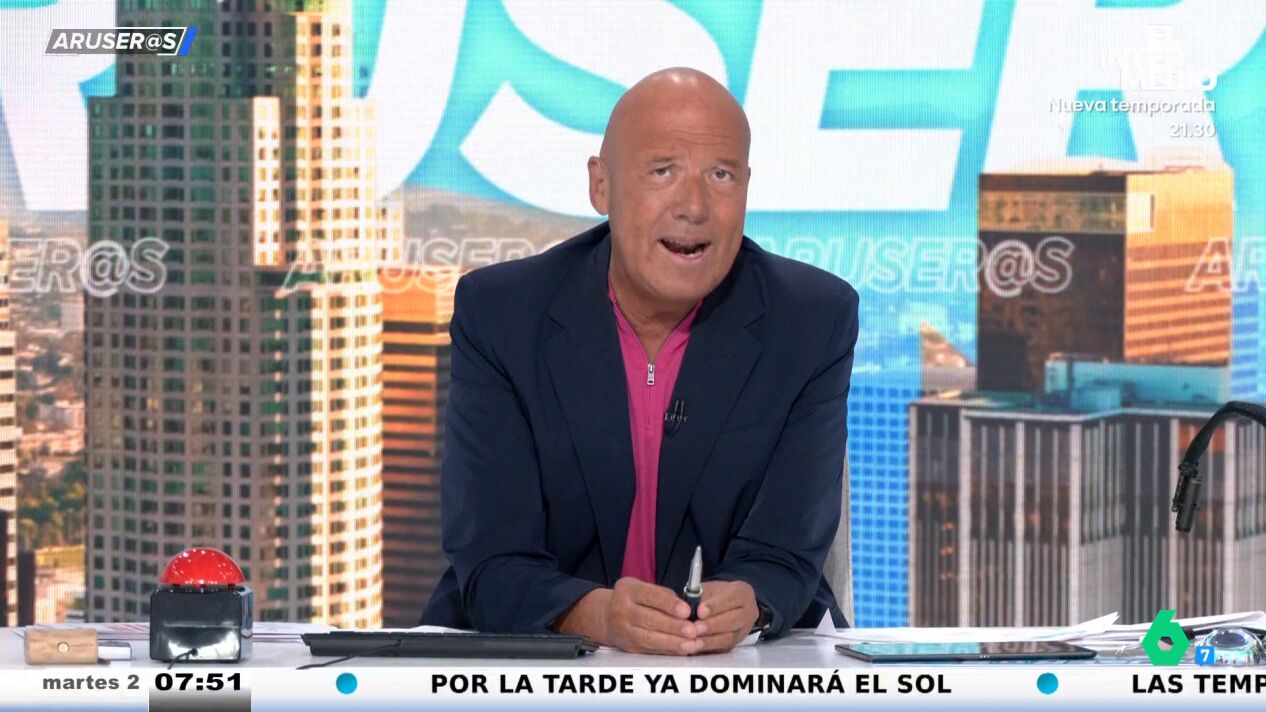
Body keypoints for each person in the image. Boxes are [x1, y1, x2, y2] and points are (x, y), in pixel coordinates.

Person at [421, 67, 859, 655]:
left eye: (722, 175)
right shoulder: (503, 316)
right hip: (541, 668)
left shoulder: (810, 321)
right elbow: (494, 561)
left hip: (736, 668)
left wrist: (748, 602)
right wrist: (596, 614)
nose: (694, 207)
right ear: (601, 186)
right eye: (663, 171)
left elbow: (788, 552)